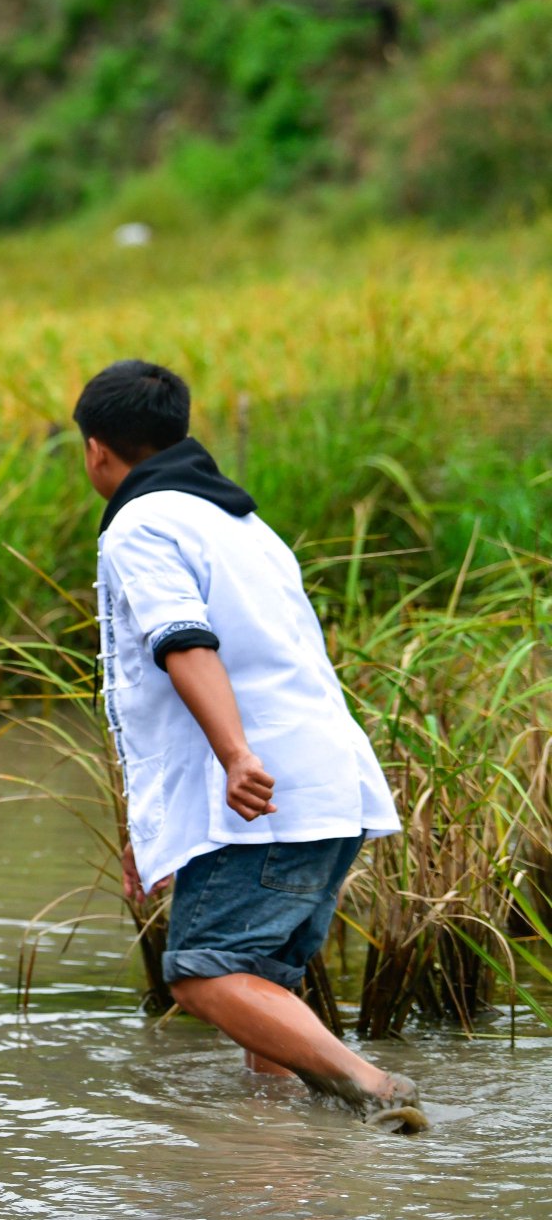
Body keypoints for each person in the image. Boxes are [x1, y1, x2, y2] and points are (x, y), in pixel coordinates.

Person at [74, 359, 425, 1132]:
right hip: (323, 783)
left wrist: (236, 754)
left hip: (260, 787)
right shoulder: (241, 522)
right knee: (263, 984)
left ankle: (372, 1088)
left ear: (97, 450)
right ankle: (273, 1167)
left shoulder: (141, 523)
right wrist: (153, 829)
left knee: (202, 976)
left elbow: (184, 642)